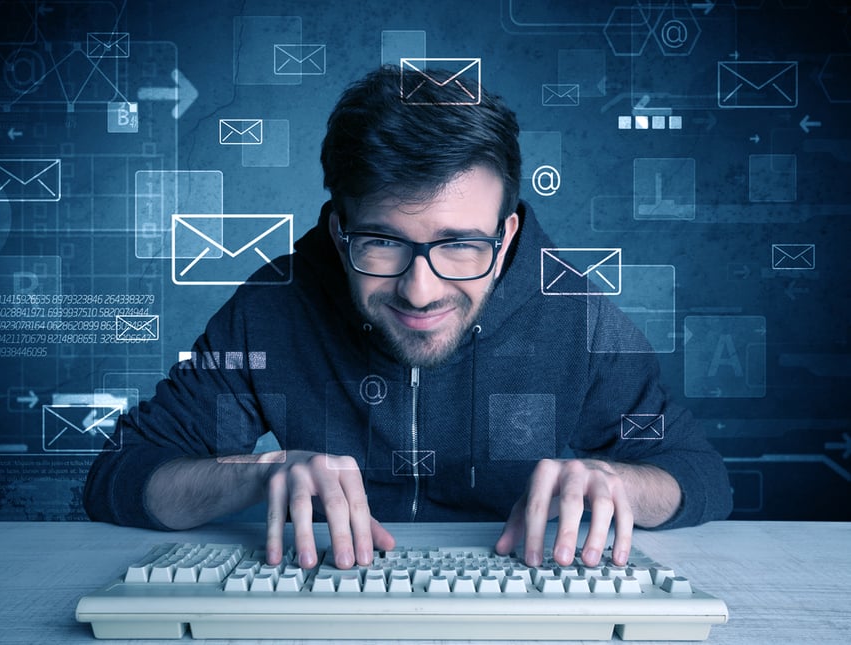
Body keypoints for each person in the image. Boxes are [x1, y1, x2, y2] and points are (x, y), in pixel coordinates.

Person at [84, 66, 732, 572]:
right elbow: (121, 474)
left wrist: (619, 482)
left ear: (506, 237)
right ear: (340, 233)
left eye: (460, 245)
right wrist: (256, 474)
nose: (419, 290)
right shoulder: (273, 306)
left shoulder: (573, 309)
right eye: (384, 242)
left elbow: (700, 473)